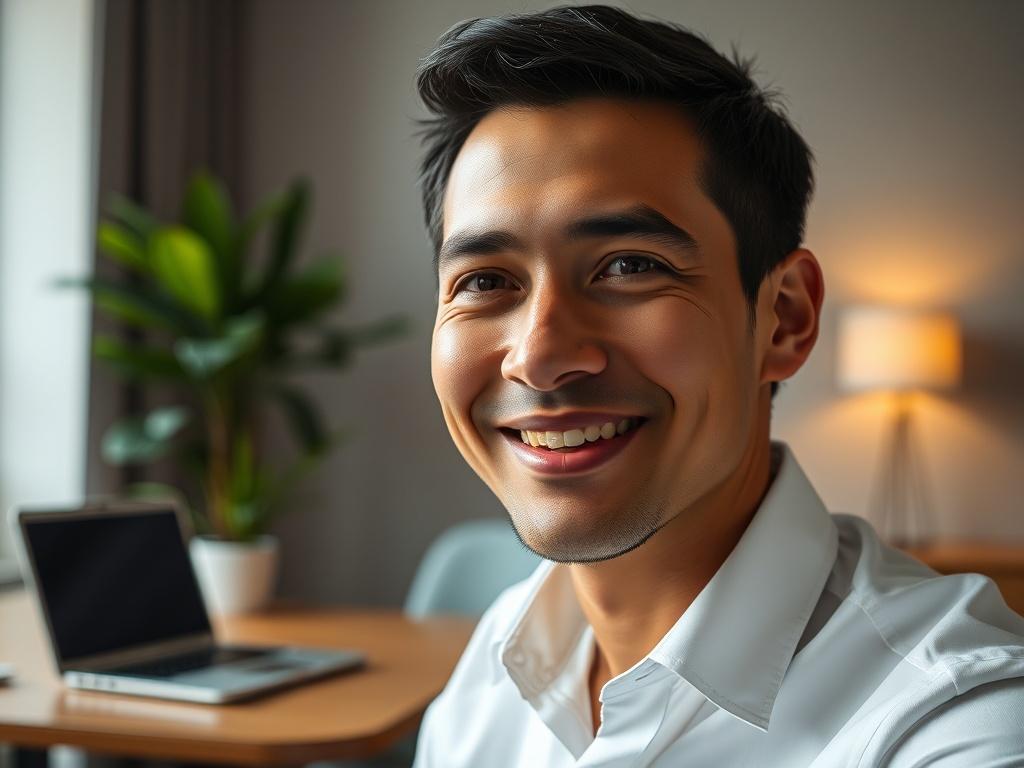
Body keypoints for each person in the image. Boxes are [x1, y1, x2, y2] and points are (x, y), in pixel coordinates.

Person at [410, 5, 1024, 766]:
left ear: (785, 320)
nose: (538, 358)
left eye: (630, 265)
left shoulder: (959, 725)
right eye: (486, 280)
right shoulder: (489, 673)